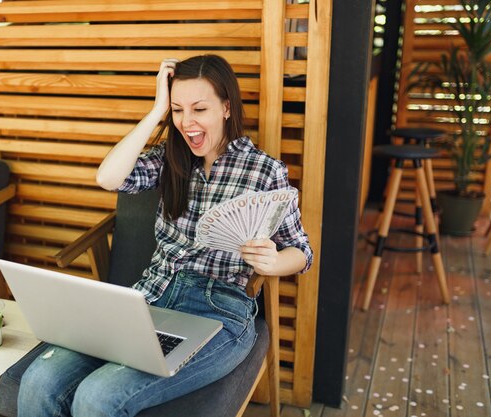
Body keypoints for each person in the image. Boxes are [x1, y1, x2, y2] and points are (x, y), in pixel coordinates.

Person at [17, 54, 313, 417]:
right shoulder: (169, 159)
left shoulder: (264, 171)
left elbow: (301, 251)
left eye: (199, 108)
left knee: (98, 397)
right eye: (178, 110)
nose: (187, 122)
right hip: (147, 297)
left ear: (226, 107)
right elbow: (108, 178)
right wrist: (157, 110)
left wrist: (274, 260)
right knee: (40, 380)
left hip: (217, 310)